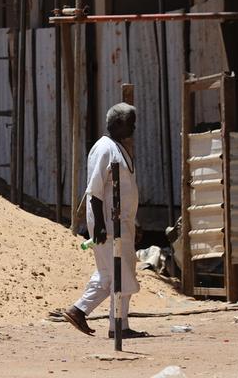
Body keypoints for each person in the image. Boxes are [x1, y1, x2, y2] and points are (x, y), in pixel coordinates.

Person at [62, 103, 149, 339]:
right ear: (118, 124)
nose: (134, 127)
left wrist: (134, 223)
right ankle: (119, 327)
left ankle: (78, 310)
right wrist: (99, 224)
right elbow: (95, 190)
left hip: (121, 222)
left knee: (108, 274)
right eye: (130, 123)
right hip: (110, 224)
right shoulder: (105, 148)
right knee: (122, 273)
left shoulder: (118, 148)